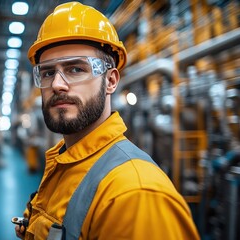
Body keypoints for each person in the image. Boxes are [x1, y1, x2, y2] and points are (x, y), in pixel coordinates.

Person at [14, 2, 200, 240]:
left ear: (111, 81)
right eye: (48, 72)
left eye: (76, 69)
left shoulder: (136, 195)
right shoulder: (61, 164)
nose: (58, 84)